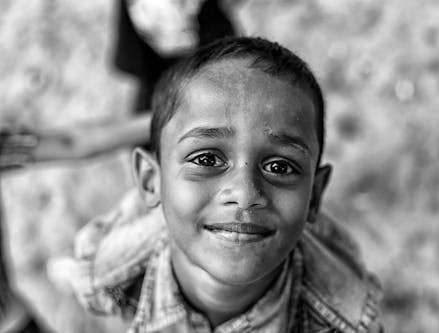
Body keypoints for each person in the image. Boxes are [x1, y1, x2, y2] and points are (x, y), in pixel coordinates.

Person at [68, 36, 384, 333]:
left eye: (279, 166)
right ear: (151, 181)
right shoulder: (109, 274)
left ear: (314, 196)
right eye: (206, 160)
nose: (245, 195)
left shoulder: (346, 320)